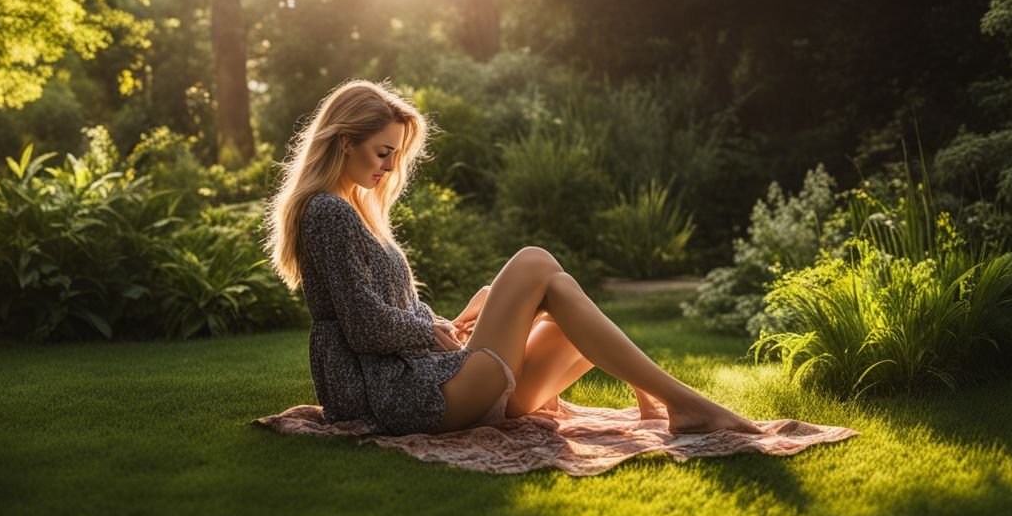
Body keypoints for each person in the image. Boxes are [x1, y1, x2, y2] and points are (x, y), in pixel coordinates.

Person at [265, 79, 763, 436]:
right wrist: (434, 331)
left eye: (396, 154)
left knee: (564, 299)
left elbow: (388, 316)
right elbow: (363, 326)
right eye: (382, 152)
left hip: (422, 378)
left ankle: (666, 399)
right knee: (534, 261)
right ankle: (680, 402)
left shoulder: (350, 210)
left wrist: (448, 322)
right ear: (345, 141)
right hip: (403, 395)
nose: (391, 166)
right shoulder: (327, 211)